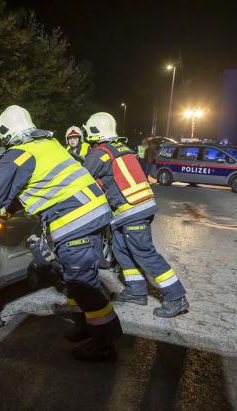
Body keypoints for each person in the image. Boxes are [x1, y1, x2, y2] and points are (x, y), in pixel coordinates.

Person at [0, 105, 122, 361]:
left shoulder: (19, 153)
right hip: (91, 213)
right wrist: (6, 211)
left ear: (6, 134)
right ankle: (84, 327)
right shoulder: (48, 145)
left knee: (84, 284)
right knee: (74, 279)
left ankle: (104, 344)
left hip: (76, 220)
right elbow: (32, 187)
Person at [82, 112, 189, 317]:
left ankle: (176, 297)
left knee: (144, 253)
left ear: (94, 131)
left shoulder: (101, 152)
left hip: (132, 210)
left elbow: (82, 178)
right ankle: (136, 291)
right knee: (121, 249)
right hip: (132, 209)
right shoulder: (123, 148)